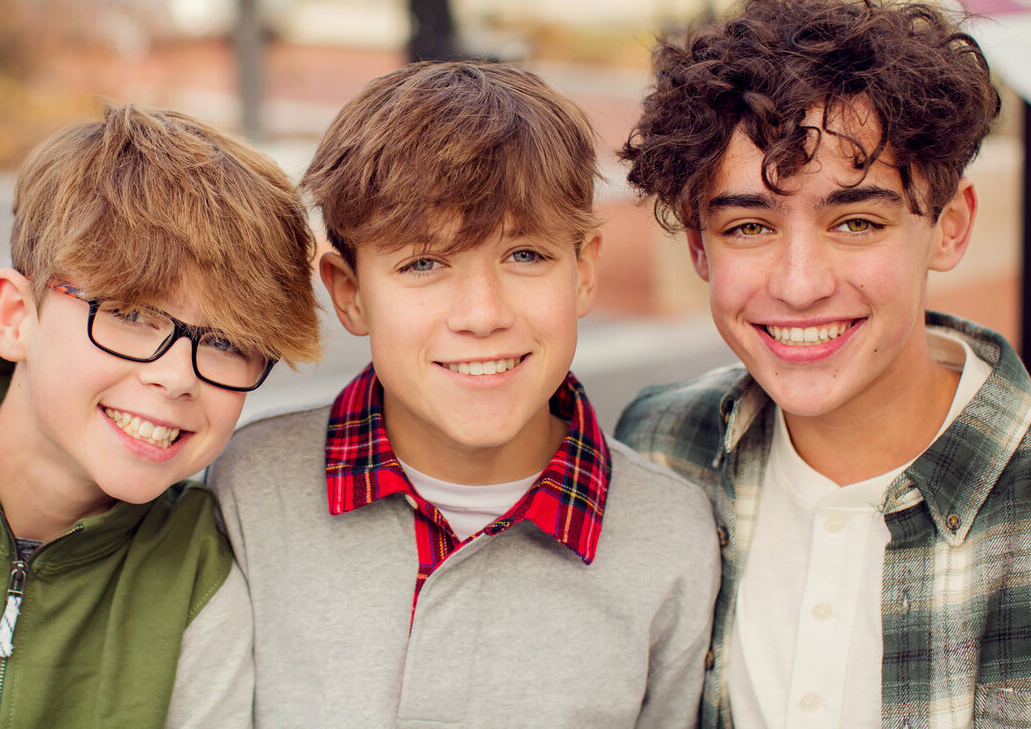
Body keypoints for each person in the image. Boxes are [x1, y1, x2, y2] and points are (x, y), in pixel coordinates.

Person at [615, 0, 1031, 728]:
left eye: (857, 221)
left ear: (950, 227)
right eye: (748, 228)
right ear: (699, 246)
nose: (801, 285)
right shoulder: (661, 448)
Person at [210, 60, 720, 727]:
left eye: (526, 256)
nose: (482, 314)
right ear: (349, 293)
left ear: (584, 270)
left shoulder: (671, 537)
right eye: (424, 264)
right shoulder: (253, 489)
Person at [0, 103, 321, 728]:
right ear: (16, 316)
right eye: (131, 314)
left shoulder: (199, 575)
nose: (176, 377)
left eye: (226, 343)